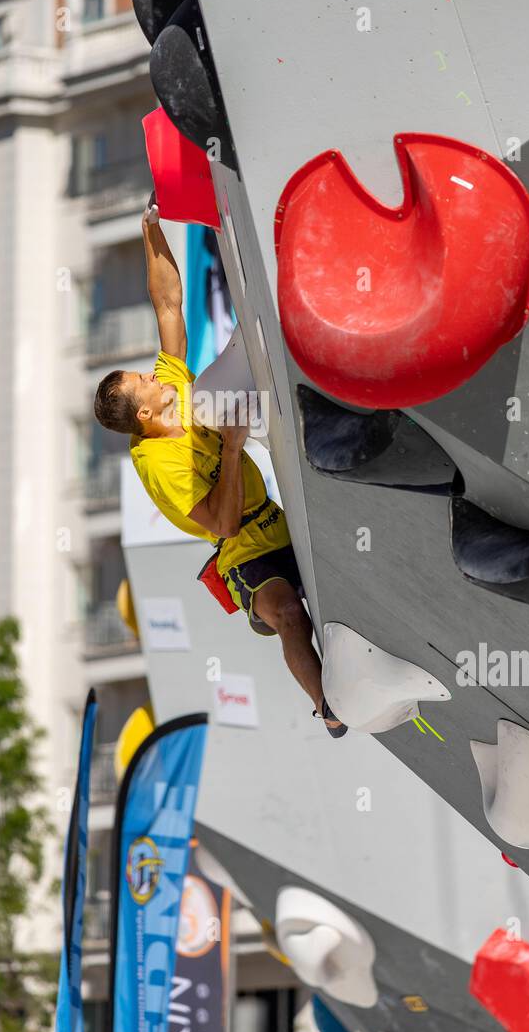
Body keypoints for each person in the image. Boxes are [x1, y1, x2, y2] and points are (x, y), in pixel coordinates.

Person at [93, 200, 346, 738]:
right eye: (145, 380)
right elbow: (224, 524)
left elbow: (168, 305)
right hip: (243, 550)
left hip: (275, 515)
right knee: (288, 616)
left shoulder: (171, 393)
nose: (155, 373)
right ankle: (327, 706)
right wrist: (231, 449)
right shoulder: (159, 465)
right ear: (145, 413)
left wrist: (152, 230)